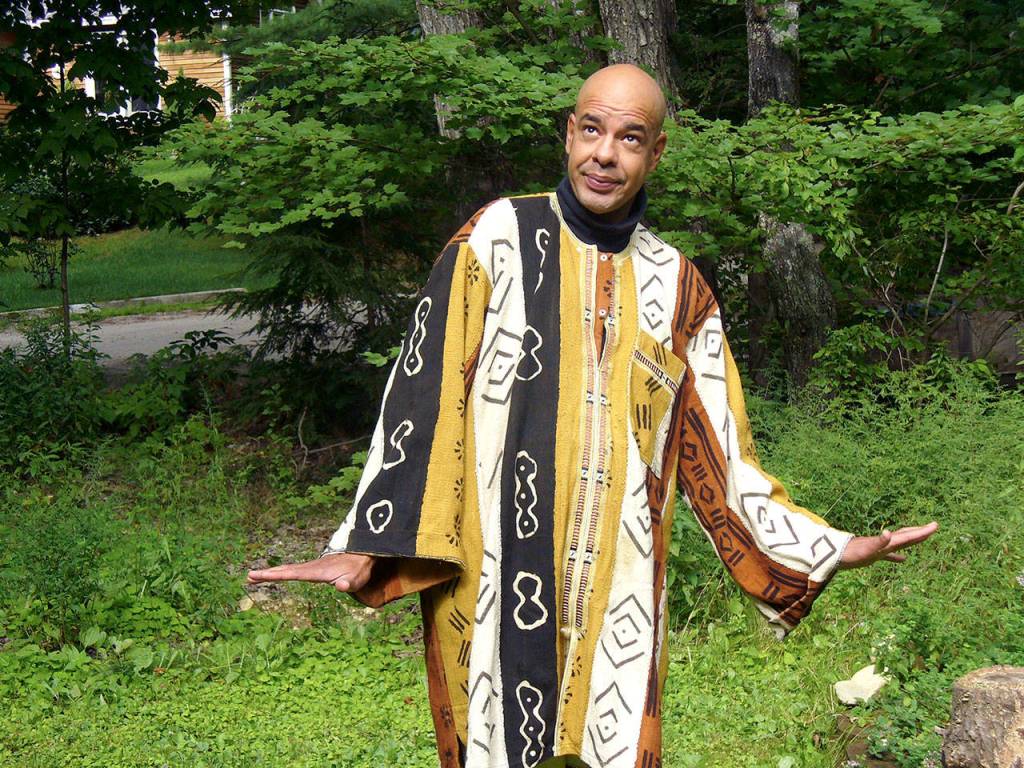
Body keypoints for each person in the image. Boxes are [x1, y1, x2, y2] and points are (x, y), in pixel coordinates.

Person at [247, 64, 937, 768]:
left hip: (621, 601)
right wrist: (372, 540)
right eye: (592, 130)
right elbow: (423, 393)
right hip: (488, 586)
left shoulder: (680, 288)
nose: (605, 154)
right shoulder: (494, 239)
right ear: (569, 135)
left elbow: (722, 455)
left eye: (630, 138)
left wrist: (825, 547)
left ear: (656, 153)